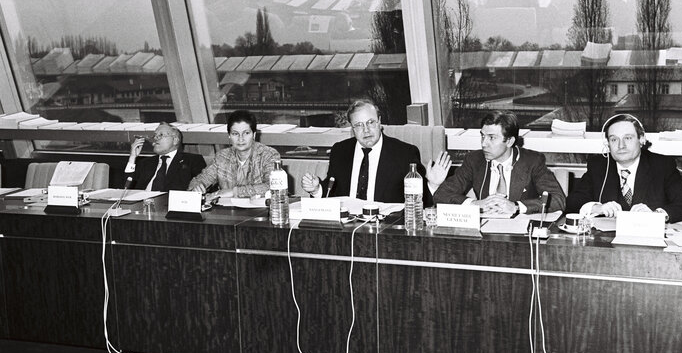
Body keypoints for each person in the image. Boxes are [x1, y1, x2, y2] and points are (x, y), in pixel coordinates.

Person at [300, 99, 452, 205]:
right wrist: (316, 189)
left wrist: (432, 184)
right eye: (358, 125)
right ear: (352, 129)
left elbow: (420, 200)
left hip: (385, 231)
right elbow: (331, 192)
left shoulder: (405, 153)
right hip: (346, 227)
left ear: (379, 122)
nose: (366, 130)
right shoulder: (340, 151)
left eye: (370, 122)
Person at [566, 113, 682, 223]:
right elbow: (572, 202)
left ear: (641, 139)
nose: (621, 145)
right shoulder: (599, 165)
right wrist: (597, 208)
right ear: (607, 144)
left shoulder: (662, 165)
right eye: (614, 139)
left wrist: (657, 215)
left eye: (628, 138)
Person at [434, 111, 565, 216]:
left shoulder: (533, 161)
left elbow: (558, 200)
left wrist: (515, 207)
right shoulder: (474, 160)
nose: (483, 143)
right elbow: (441, 195)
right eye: (482, 136)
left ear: (509, 141)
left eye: (492, 138)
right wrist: (475, 204)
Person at [189, 110, 279, 198]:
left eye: (246, 133)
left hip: (260, 211)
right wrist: (197, 186)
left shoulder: (269, 155)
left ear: (254, 135)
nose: (241, 139)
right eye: (235, 134)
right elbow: (199, 180)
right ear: (229, 136)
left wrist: (234, 192)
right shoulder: (222, 157)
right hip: (228, 211)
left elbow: (273, 187)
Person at [124, 122, 206, 191]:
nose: (155, 138)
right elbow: (126, 189)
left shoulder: (193, 161)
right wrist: (132, 157)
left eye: (161, 135)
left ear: (175, 140)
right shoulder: (145, 163)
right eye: (155, 135)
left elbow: (201, 187)